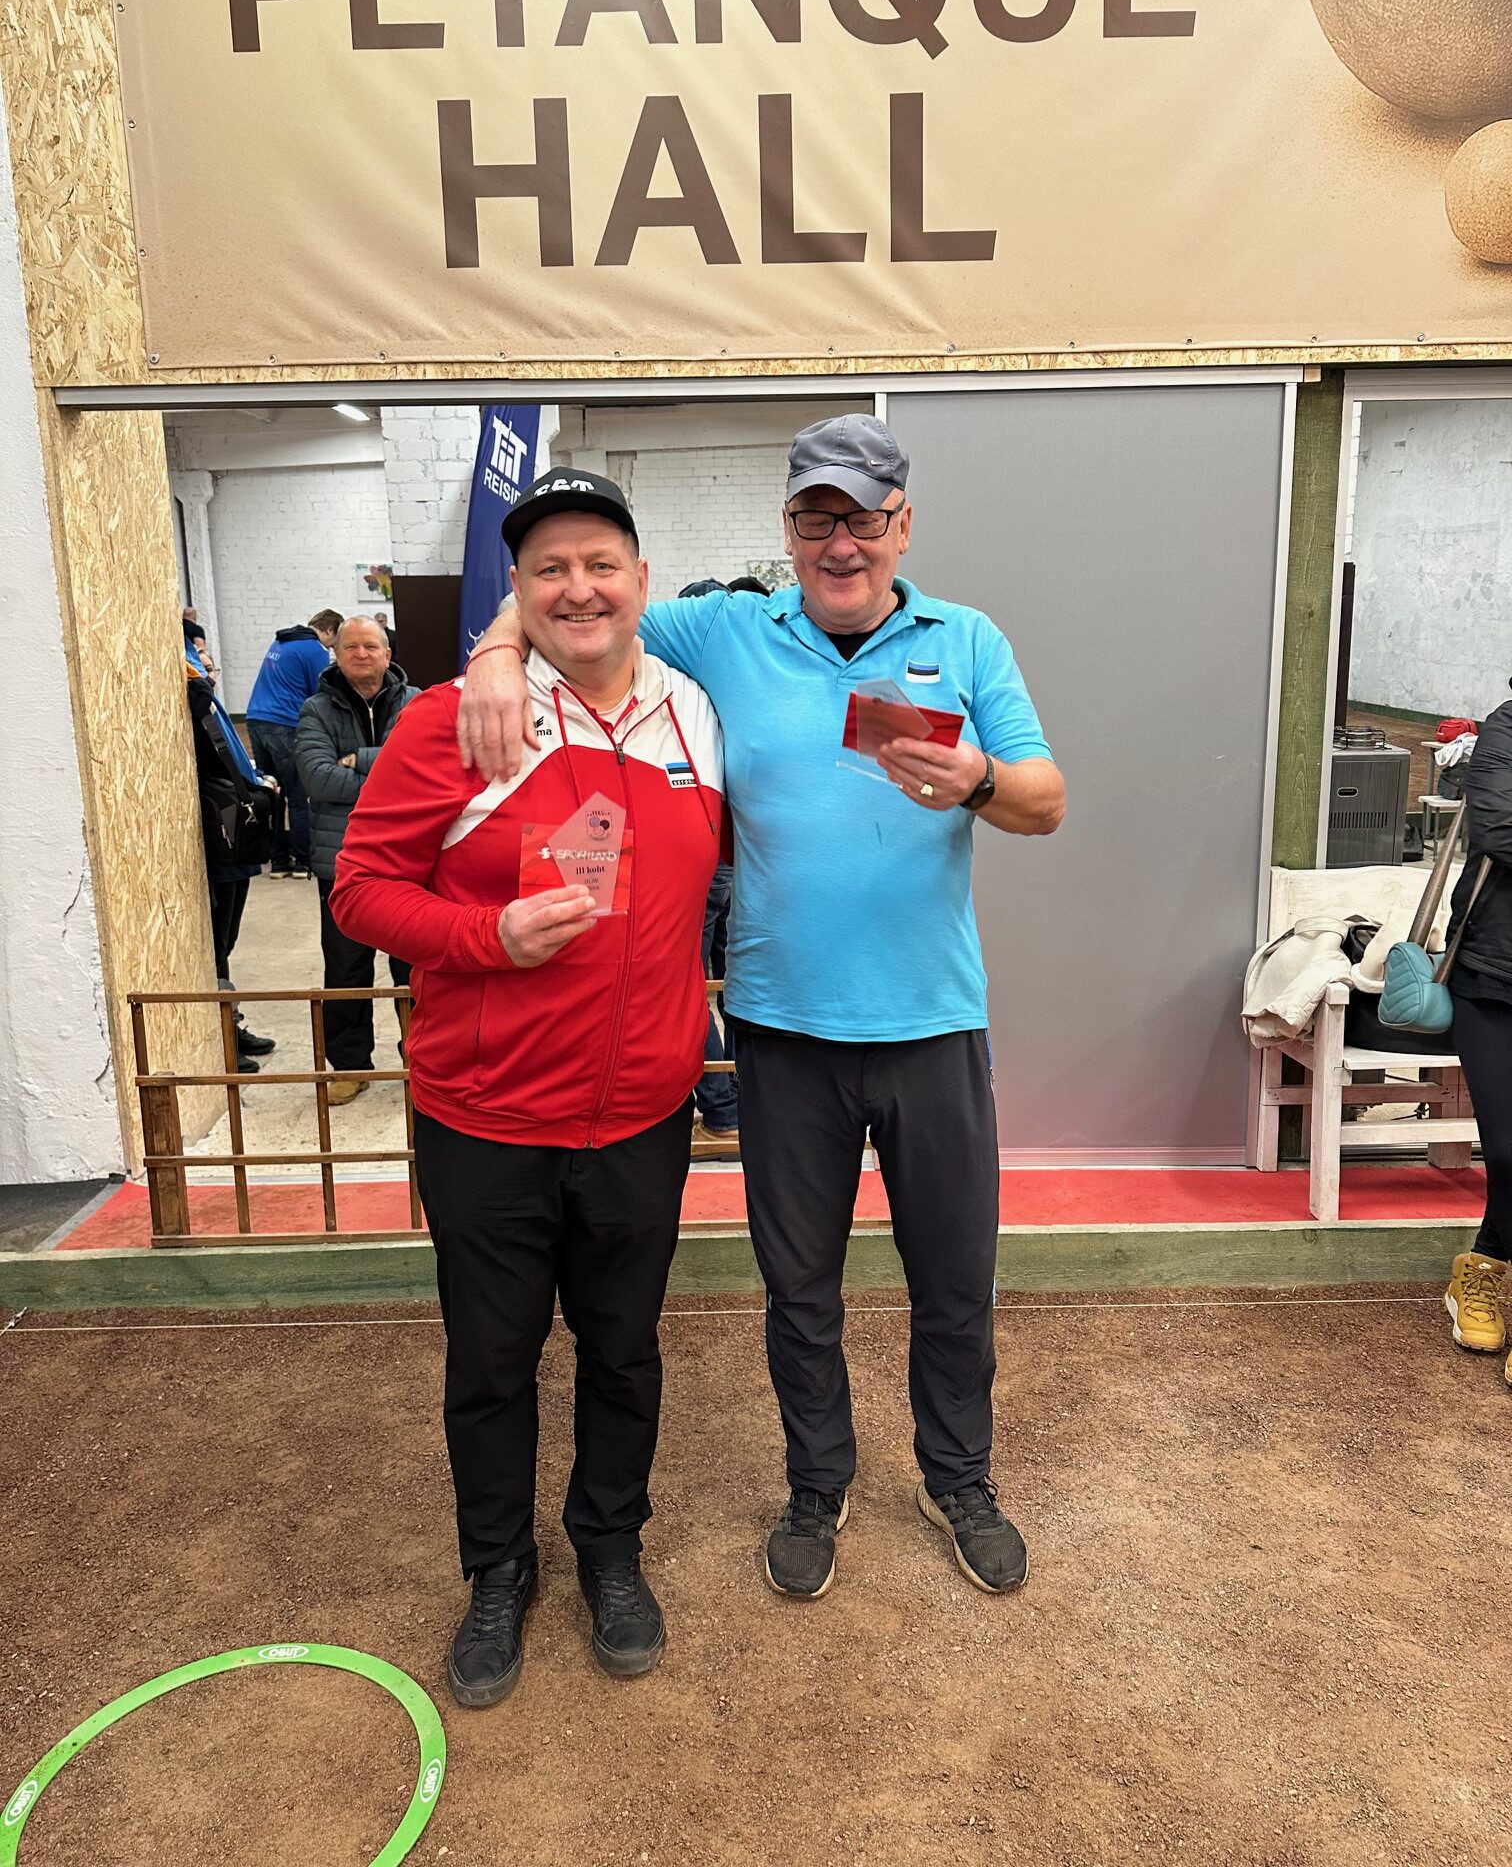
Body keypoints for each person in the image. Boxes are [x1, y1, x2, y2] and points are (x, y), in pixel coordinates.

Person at [459, 414, 1064, 1602]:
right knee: (801, 1290)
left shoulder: (967, 639)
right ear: (787, 529)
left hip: (934, 1024)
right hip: (785, 1033)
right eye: (815, 519)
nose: (841, 544)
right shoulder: (728, 630)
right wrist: (490, 654)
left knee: (954, 1282)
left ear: (902, 525)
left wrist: (980, 779)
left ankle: (958, 1479)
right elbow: (579, 605)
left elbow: (1045, 800)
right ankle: (816, 1484)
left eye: (863, 519)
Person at [330, 470, 724, 1703]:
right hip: (486, 1119)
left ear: (642, 580)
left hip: (642, 1116)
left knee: (624, 1351)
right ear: (518, 590)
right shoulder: (455, 717)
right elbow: (359, 892)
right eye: (549, 568)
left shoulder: (696, 713)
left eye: (601, 562)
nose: (579, 587)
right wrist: (485, 937)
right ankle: (498, 1569)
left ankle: (611, 1549)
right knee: (493, 1362)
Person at [295, 617, 417, 1103]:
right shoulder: (316, 709)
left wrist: (358, 759)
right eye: (351, 647)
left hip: (411, 859)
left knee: (415, 969)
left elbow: (430, 767)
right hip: (342, 862)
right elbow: (318, 778)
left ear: (388, 654)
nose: (361, 654)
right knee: (346, 969)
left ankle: (422, 1061)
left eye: (371, 646)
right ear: (337, 654)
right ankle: (349, 1066)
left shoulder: (417, 703)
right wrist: (391, 770)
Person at [1441, 684, 1512, 1383]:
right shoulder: (1506, 728)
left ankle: (1486, 1266)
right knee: (1509, 1147)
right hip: (1493, 977)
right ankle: (1487, 1267)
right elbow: (1499, 829)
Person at [184, 637, 277, 1071]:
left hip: (237, 833)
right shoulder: (197, 699)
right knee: (217, 944)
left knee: (229, 939)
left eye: (209, 665)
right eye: (200, 663)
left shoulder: (208, 701)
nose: (207, 670)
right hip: (220, 832)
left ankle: (231, 1023)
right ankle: (224, 1039)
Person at [676, 581, 740, 1143]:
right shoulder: (743, 686)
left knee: (687, 985)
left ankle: (722, 1106)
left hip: (698, 861)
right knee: (735, 985)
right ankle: (741, 1099)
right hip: (740, 862)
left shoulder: (678, 693)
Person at [246, 609, 344, 879]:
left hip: (256, 720)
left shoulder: (281, 641)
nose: (333, 647)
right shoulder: (314, 650)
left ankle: (278, 861)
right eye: (335, 641)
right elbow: (320, 692)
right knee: (298, 796)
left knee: (273, 794)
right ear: (329, 630)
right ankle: (302, 861)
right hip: (285, 724)